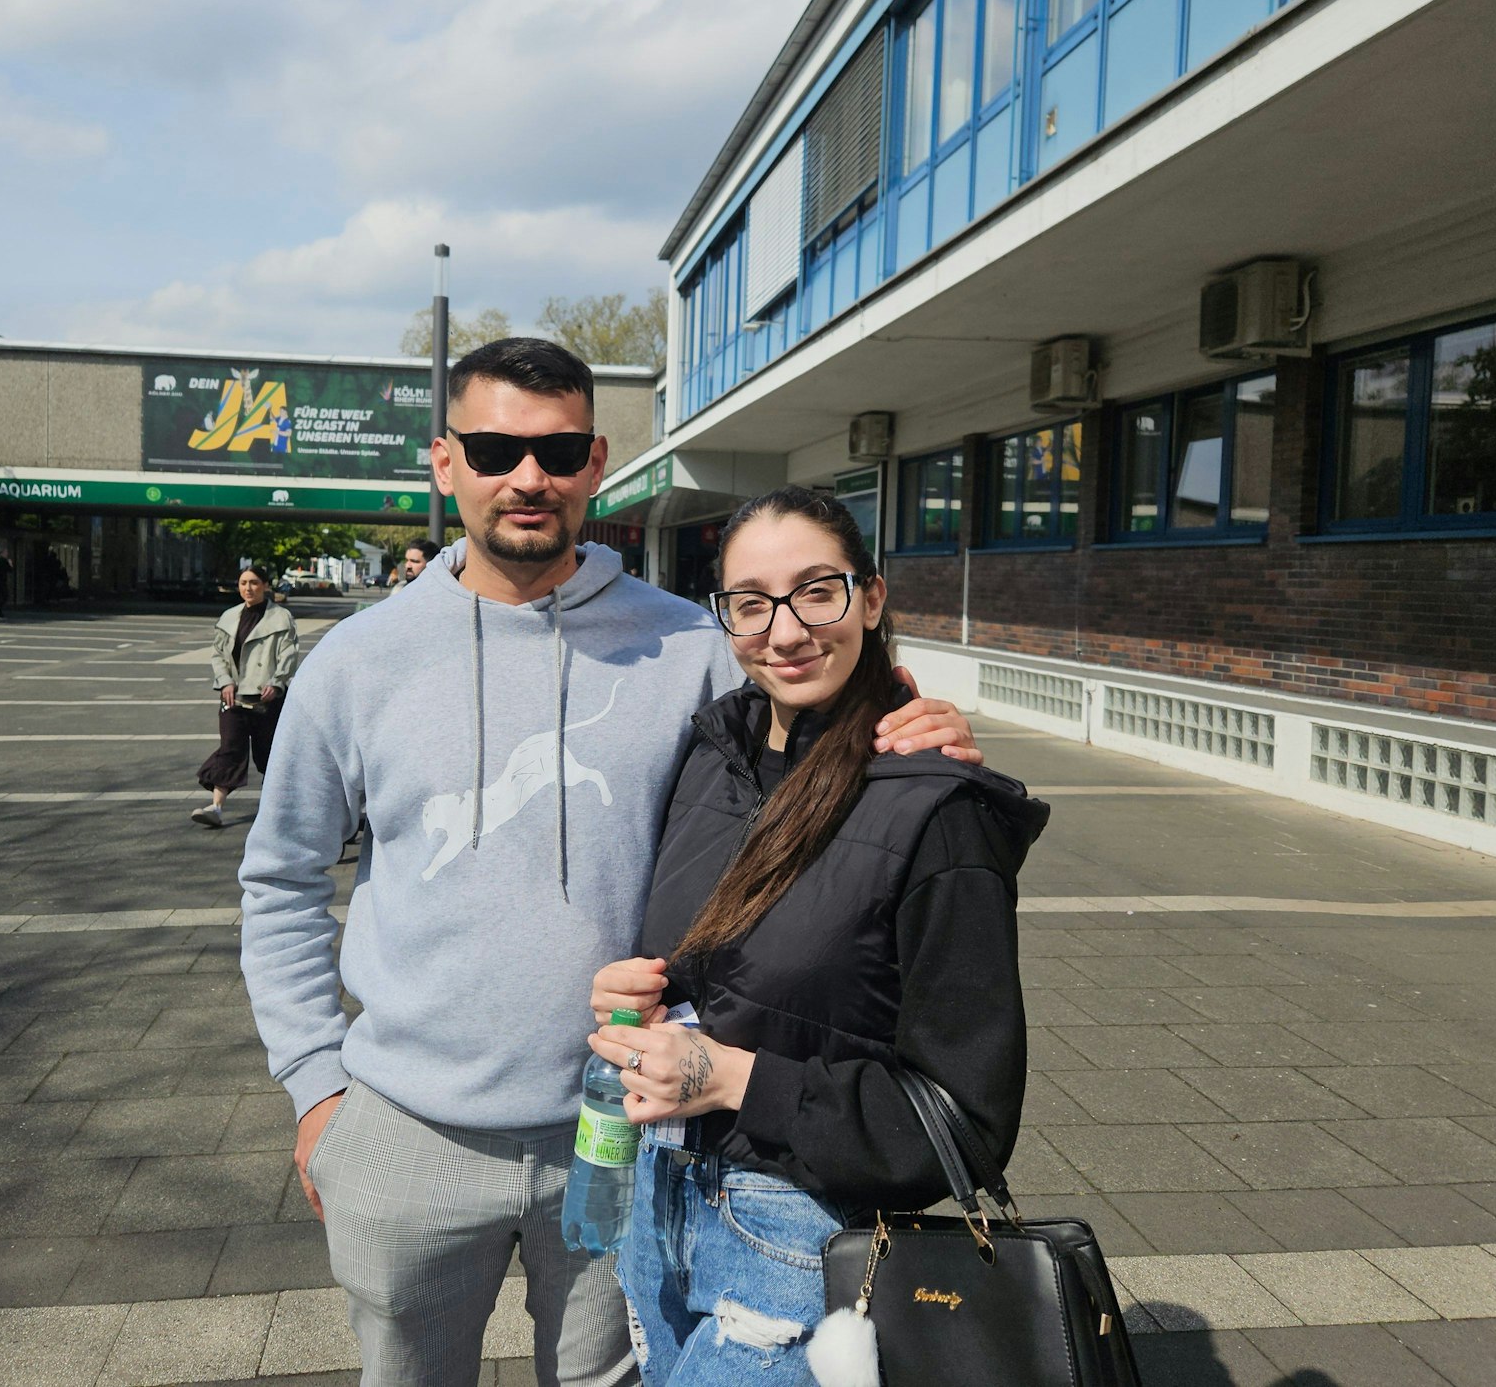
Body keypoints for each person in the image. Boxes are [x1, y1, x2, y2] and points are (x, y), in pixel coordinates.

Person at [237, 338, 979, 1387]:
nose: (526, 477)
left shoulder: (690, 646)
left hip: (631, 1128)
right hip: (404, 1132)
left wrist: (909, 722)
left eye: (557, 451)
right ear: (444, 461)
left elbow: (811, 720)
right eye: (493, 450)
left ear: (594, 464)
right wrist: (316, 1088)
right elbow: (281, 881)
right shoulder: (355, 662)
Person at [585, 486, 1047, 1386]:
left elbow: (966, 1118)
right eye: (751, 603)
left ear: (871, 599)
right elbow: (727, 972)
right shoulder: (713, 756)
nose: (786, 631)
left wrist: (732, 1078)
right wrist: (642, 994)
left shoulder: (936, 809)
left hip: (800, 1242)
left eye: (817, 592)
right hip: (660, 1199)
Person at [192, 566, 298, 829]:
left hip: (266, 700)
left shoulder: (281, 617)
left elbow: (288, 654)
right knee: (230, 749)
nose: (247, 588)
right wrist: (225, 681)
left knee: (269, 754)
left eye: (254, 582)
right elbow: (218, 655)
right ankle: (216, 808)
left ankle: (280, 808)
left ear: (265, 585)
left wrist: (277, 682)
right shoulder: (229, 617)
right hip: (234, 698)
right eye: (242, 583)